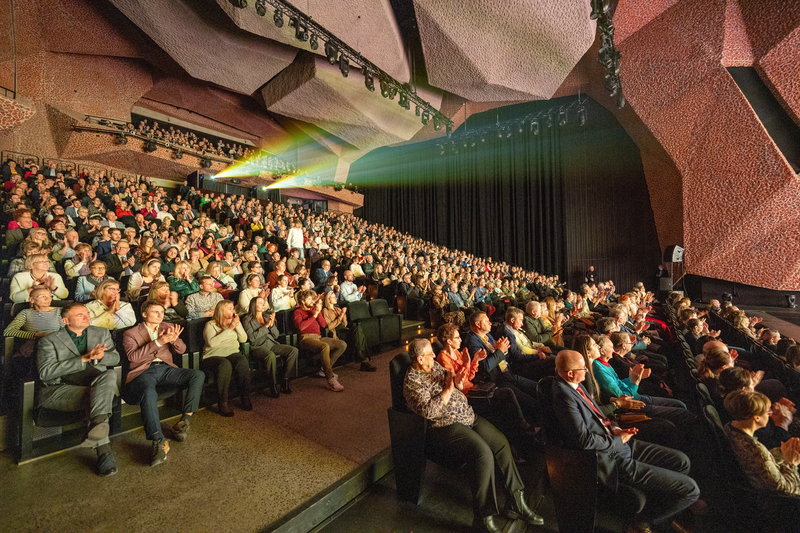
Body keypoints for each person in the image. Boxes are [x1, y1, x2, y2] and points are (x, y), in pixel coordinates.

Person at [403, 338, 543, 533]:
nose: (434, 356)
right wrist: (448, 389)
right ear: (419, 358)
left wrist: (458, 381)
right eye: (429, 354)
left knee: (500, 443)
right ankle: (483, 518)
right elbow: (428, 412)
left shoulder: (432, 365)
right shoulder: (412, 381)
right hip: (444, 425)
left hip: (467, 415)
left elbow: (453, 382)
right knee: (482, 453)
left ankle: (516, 501)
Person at [552, 350, 699, 532]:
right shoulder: (564, 396)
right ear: (570, 373)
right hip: (612, 457)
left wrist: (617, 429)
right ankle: (643, 522)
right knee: (691, 489)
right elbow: (583, 440)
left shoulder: (575, 385)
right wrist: (616, 440)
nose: (587, 371)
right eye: (583, 368)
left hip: (619, 441)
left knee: (682, 461)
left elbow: (598, 416)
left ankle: (665, 509)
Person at [36, 302, 120, 476]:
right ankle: (102, 442)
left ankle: (103, 448)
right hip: (62, 389)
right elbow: (46, 372)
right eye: (80, 315)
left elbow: (115, 358)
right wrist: (83, 359)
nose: (86, 316)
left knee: (110, 376)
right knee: (98, 394)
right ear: (66, 320)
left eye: (87, 313)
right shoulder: (48, 341)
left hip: (95, 385)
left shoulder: (101, 333)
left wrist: (102, 356)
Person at [122, 301, 204, 466]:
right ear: (144, 314)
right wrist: (159, 342)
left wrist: (174, 340)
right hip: (143, 371)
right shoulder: (130, 333)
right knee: (148, 392)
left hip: (166, 369)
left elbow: (181, 350)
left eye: (161, 312)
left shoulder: (167, 326)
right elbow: (133, 358)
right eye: (155, 312)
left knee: (197, 375)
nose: (160, 316)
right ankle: (158, 440)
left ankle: (184, 420)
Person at [202, 301, 252, 416]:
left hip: (232, 353)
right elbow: (212, 343)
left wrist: (237, 325)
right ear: (221, 311)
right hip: (213, 355)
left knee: (242, 361)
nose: (233, 311)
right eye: (229, 308)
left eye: (233, 308)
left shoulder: (235, 322)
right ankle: (223, 402)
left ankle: (245, 396)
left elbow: (243, 339)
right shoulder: (210, 324)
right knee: (224, 365)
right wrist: (229, 328)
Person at [242, 297, 298, 397]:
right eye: (260, 303)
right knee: (270, 355)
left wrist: (272, 325)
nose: (263, 304)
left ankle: (285, 379)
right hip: (257, 347)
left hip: (271, 344)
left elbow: (276, 336)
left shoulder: (267, 316)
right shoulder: (247, 319)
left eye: (264, 303)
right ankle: (272, 384)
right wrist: (266, 326)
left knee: (293, 351)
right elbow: (252, 338)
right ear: (254, 305)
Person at [293, 289, 347, 392]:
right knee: (324, 347)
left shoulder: (314, 309)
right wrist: (314, 315)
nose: (312, 301)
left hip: (318, 337)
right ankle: (330, 378)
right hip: (305, 338)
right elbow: (301, 327)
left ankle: (325, 370)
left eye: (312, 299)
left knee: (342, 344)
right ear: (303, 301)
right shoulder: (298, 312)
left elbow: (323, 325)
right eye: (309, 299)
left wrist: (318, 312)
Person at [321, 290, 375, 371]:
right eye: (333, 297)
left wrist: (344, 316)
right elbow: (329, 326)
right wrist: (341, 315)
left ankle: (363, 361)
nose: (336, 298)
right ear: (328, 300)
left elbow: (344, 324)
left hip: (343, 330)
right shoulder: (325, 311)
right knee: (358, 335)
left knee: (358, 330)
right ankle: (364, 361)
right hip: (335, 332)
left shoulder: (338, 309)